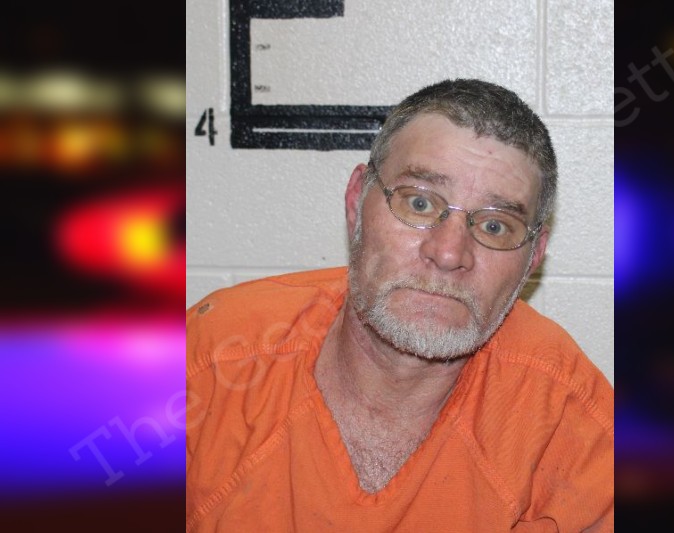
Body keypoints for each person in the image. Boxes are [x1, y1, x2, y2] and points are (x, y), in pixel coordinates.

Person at [186, 79, 613, 531]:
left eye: (495, 226)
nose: (448, 253)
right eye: (420, 202)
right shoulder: (211, 361)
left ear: (533, 257)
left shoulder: (568, 419)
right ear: (357, 202)